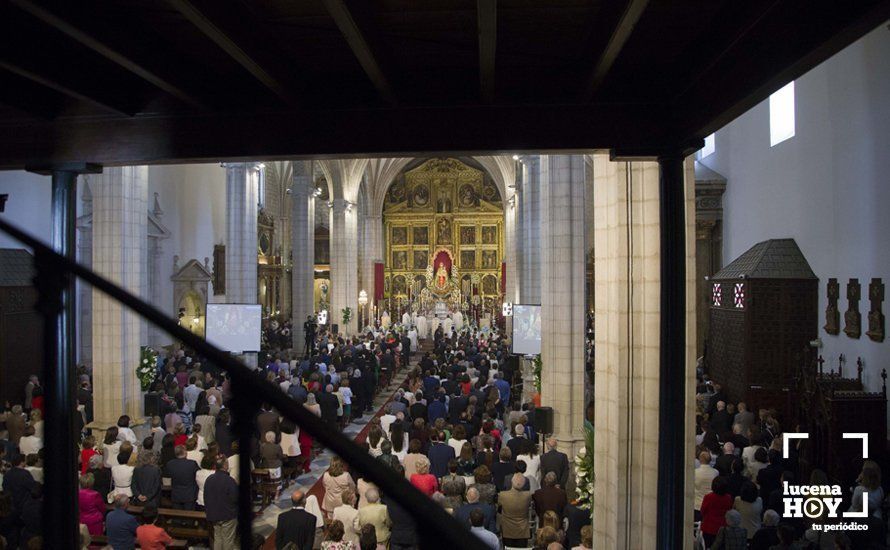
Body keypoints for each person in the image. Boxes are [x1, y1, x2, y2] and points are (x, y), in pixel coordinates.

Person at [204, 457, 239, 550]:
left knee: (218, 538)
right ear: (225, 466)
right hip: (227, 514)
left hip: (214, 514)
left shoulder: (209, 479)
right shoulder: (229, 480)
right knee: (228, 539)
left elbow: (206, 496)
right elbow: (235, 498)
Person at [499, 473, 533, 547]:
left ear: (511, 481)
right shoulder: (528, 495)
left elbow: (498, 508)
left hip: (507, 531)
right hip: (523, 532)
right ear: (523, 484)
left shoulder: (502, 495)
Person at [700, 476, 733, 547]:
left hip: (709, 527)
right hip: (723, 526)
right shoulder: (728, 498)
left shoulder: (708, 497)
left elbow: (703, 511)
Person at [165, 445, 199, 510]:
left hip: (176, 494)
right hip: (189, 494)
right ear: (185, 452)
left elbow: (168, 475)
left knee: (177, 517)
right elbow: (198, 474)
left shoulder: (170, 464)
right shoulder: (192, 464)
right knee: (189, 517)